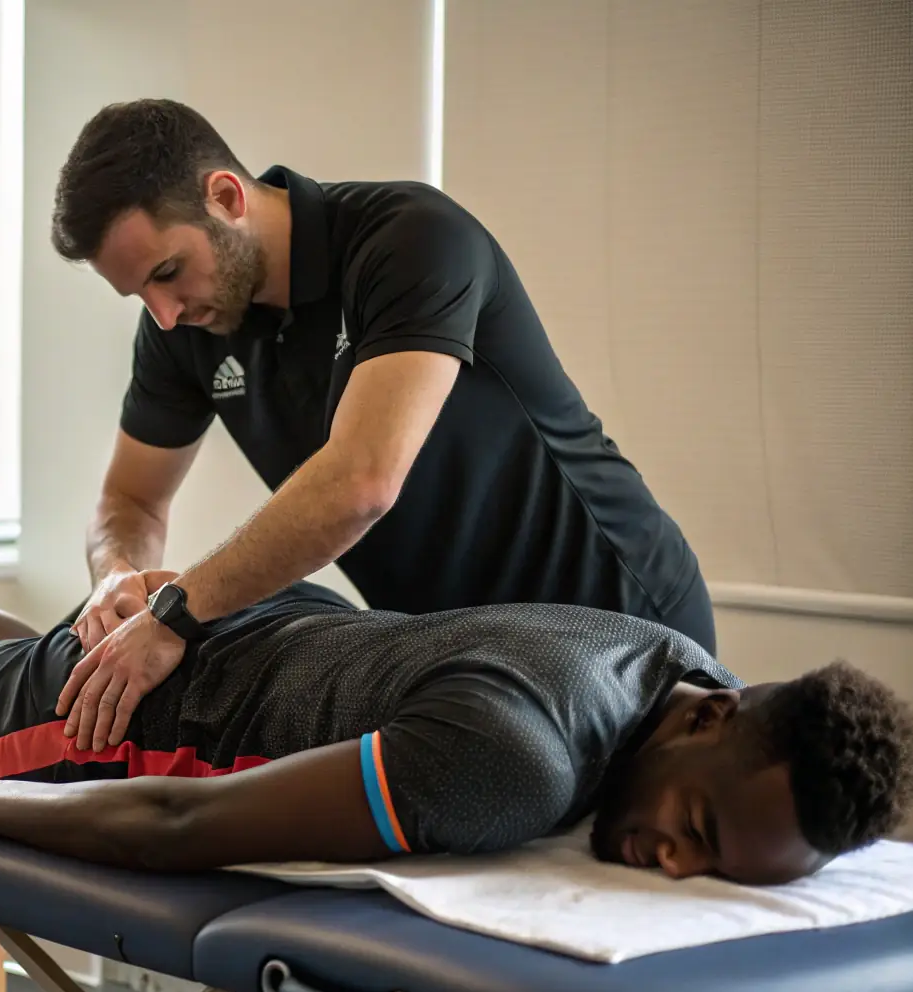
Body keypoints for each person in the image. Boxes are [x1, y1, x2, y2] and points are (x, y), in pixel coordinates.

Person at [47, 98, 718, 753]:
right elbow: (130, 499)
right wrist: (117, 580)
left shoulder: (409, 239)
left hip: (618, 618)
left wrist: (176, 612)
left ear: (225, 196)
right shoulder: (181, 328)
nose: (163, 314)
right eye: (139, 295)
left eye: (168, 272)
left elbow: (360, 483)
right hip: (474, 655)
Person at [0, 549, 913, 885]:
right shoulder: (516, 760)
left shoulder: (673, 659)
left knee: (11, 657)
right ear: (707, 723)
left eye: (714, 868)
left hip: (293, 629)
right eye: (693, 830)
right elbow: (184, 822)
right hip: (177, 705)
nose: (672, 861)